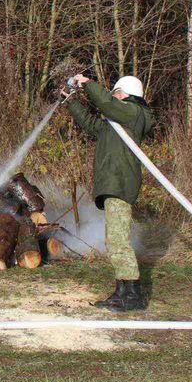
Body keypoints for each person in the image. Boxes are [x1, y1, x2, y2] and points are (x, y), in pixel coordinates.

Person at [65, 73, 155, 311]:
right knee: (114, 240)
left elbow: (105, 103)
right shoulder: (116, 124)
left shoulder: (134, 114)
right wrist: (71, 101)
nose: (112, 98)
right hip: (113, 184)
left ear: (124, 94)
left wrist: (87, 84)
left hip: (120, 183)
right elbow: (92, 125)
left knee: (118, 240)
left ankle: (132, 296)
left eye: (115, 93)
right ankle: (122, 291)